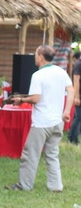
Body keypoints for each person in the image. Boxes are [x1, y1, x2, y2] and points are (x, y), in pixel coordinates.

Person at [6, 45, 73, 192]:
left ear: (41, 57)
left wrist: (21, 100)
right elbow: (71, 90)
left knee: (30, 154)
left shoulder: (37, 75)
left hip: (42, 122)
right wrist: (66, 111)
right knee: (52, 154)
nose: (35, 56)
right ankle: (56, 186)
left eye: (36, 54)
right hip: (57, 121)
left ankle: (24, 185)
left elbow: (36, 98)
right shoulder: (61, 71)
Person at [67, 51, 81, 144]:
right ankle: (72, 138)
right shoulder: (78, 64)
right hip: (79, 94)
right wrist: (76, 97)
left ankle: (74, 137)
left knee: (78, 117)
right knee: (78, 117)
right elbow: (76, 80)